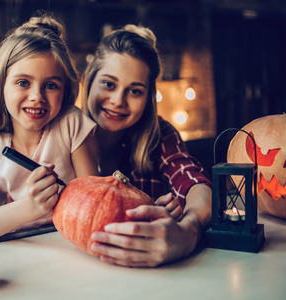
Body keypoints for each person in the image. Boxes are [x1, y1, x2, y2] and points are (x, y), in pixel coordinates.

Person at [0, 14, 98, 239]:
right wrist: (31, 207)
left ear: (65, 90)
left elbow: (95, 201)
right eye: (23, 83)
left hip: (71, 247)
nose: (36, 97)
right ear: (1, 85)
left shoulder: (72, 123)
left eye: (50, 85)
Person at [79, 25, 212, 267]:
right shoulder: (61, 131)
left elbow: (196, 184)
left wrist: (188, 231)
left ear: (148, 97)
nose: (118, 101)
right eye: (109, 84)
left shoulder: (161, 135)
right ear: (89, 81)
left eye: (135, 91)